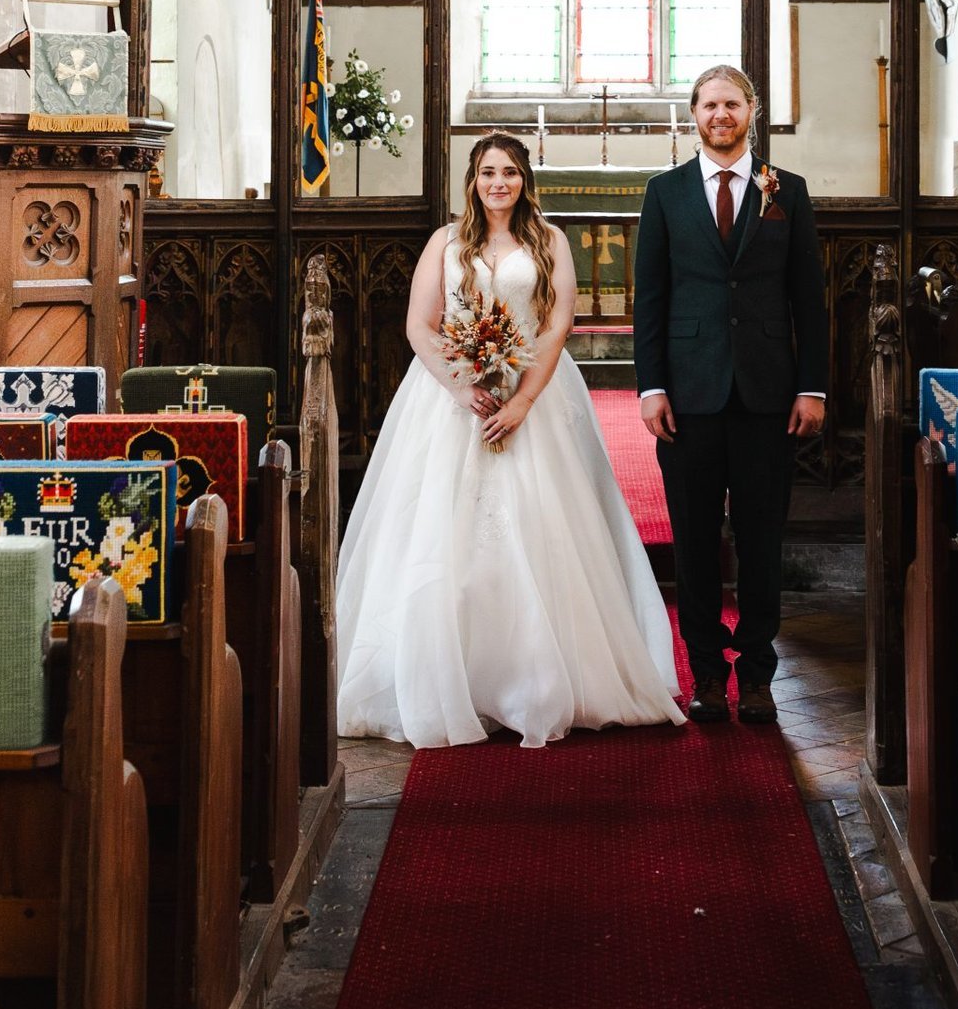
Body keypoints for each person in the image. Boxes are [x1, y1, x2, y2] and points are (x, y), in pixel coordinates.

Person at [334, 130, 684, 749]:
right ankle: (450, 677)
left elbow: (558, 323)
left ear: (525, 179)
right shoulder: (445, 242)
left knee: (542, 528)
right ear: (472, 180)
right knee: (440, 536)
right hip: (451, 398)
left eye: (511, 172)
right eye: (489, 172)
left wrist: (522, 400)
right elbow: (420, 324)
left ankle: (540, 678)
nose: (500, 182)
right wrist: (461, 385)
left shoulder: (547, 241)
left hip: (535, 395)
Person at [633, 65, 829, 724]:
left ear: (752, 110)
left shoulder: (787, 192)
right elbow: (651, 297)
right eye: (709, 104)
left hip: (770, 392)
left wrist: (812, 386)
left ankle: (759, 672)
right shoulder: (665, 194)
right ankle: (708, 675)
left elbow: (810, 297)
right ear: (693, 114)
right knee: (692, 541)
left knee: (761, 538)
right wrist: (652, 386)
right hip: (687, 393)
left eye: (732, 103)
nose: (721, 114)